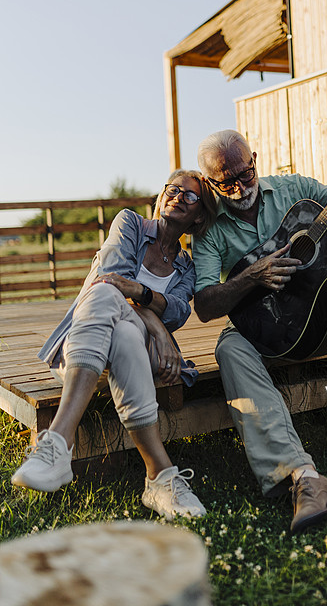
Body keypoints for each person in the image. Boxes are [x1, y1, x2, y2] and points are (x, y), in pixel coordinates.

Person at [193, 129, 327, 533]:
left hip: (314, 322)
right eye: (226, 182)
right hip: (260, 332)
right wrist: (251, 275)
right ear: (209, 182)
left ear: (254, 158)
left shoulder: (295, 190)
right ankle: (298, 471)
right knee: (229, 348)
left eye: (246, 174)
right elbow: (204, 306)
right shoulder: (209, 227)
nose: (241, 188)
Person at [11, 170, 217, 521]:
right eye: (173, 189)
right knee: (117, 321)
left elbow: (178, 312)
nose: (178, 197)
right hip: (93, 341)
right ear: (161, 196)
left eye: (190, 196)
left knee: (114, 306)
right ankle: (159, 477)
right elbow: (110, 279)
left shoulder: (186, 268)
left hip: (143, 355)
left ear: (199, 216)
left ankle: (57, 445)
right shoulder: (130, 224)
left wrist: (137, 294)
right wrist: (154, 319)